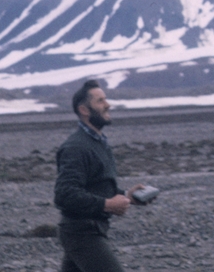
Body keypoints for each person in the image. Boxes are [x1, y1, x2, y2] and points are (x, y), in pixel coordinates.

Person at [54, 79, 147, 272]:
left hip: (89, 229)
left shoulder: (97, 142)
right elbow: (65, 194)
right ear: (84, 110)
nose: (108, 105)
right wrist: (107, 205)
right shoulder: (76, 147)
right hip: (82, 232)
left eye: (105, 99)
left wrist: (126, 196)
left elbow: (96, 186)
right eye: (100, 101)